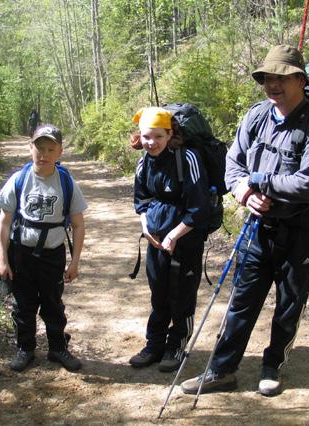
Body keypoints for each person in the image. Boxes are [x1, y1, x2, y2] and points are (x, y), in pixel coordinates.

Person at [181, 44, 309, 396]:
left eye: (281, 78)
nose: (273, 85)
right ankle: (221, 370)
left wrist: (259, 181)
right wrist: (244, 193)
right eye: (267, 78)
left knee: (289, 304)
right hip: (258, 228)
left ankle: (272, 366)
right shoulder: (256, 116)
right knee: (242, 300)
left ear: (300, 80)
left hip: (303, 230)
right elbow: (232, 164)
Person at [0, 124, 87, 372]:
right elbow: (4, 221)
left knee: (53, 304)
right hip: (21, 253)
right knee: (23, 305)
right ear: (30, 148)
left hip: (52, 255)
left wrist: (75, 262)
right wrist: (3, 259)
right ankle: (25, 349)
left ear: (60, 152)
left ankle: (58, 349)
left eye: (50, 149)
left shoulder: (66, 182)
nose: (44, 154)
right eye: (39, 148)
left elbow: (78, 224)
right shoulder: (19, 180)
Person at [129, 107, 211, 372]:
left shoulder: (187, 159)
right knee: (159, 293)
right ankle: (154, 345)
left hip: (185, 239)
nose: (150, 143)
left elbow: (198, 208)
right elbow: (141, 200)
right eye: (145, 137)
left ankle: (176, 345)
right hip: (156, 239)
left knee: (182, 295)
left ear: (170, 134)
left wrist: (174, 236)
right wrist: (146, 227)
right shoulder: (144, 162)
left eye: (157, 137)